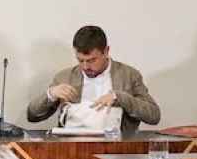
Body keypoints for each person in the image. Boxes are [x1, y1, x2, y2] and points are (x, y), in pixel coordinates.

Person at [26, 25, 160, 135]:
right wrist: (51, 94)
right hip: (71, 149)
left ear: (106, 51)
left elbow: (154, 116)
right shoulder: (64, 77)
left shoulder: (129, 75)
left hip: (118, 150)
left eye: (91, 60)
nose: (85, 66)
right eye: (80, 60)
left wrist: (120, 98)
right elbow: (32, 116)